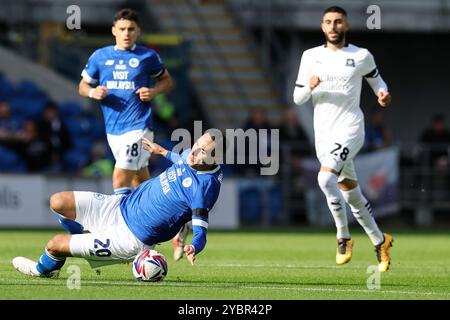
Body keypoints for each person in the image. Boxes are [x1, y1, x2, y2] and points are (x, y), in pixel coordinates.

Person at [12, 132, 223, 277]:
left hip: (131, 238)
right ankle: (89, 240)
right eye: (196, 144)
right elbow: (180, 157)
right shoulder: (191, 156)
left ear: (215, 157)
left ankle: (43, 270)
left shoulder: (204, 188)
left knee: (55, 244)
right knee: (58, 201)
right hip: (120, 206)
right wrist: (160, 151)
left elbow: (201, 231)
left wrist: (194, 246)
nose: (194, 151)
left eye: (202, 151)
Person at [292, 6, 393, 272]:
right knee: (352, 194)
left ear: (346, 25)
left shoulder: (361, 56)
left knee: (324, 178)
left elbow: (378, 83)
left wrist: (383, 94)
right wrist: (309, 87)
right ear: (323, 27)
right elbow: (297, 98)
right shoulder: (310, 56)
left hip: (350, 127)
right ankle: (380, 241)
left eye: (338, 22)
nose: (333, 26)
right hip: (323, 133)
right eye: (328, 22)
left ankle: (343, 236)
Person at [78, 8, 173, 196]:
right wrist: (92, 92)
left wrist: (153, 92)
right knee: (140, 181)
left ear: (138, 31)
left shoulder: (147, 57)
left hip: (139, 127)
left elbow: (167, 81)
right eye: (122, 29)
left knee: (120, 178)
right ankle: (166, 220)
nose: (126, 33)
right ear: (114, 30)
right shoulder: (100, 57)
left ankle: (120, 223)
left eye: (131, 29)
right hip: (113, 129)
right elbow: (82, 85)